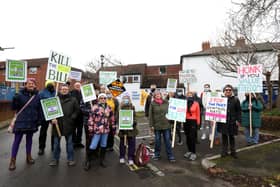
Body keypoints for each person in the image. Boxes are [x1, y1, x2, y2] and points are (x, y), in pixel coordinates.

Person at [9, 78, 42, 171]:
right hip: (21, 122)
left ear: (35, 85)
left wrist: (39, 119)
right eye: (29, 83)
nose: (31, 85)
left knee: (29, 141)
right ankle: (12, 161)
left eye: (33, 84)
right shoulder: (19, 95)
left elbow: (39, 109)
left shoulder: (37, 96)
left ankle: (28, 157)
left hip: (32, 122)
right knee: (17, 141)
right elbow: (13, 108)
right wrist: (14, 99)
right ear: (26, 85)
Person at [49, 84, 80, 167]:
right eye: (63, 89)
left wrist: (72, 118)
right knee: (56, 144)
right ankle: (55, 159)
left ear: (68, 90)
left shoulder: (73, 100)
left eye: (66, 89)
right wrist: (51, 120)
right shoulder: (55, 100)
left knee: (69, 144)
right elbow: (49, 112)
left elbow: (77, 111)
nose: (64, 90)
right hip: (57, 125)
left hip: (69, 125)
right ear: (60, 90)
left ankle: (70, 159)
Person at [88, 93, 116, 168]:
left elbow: (112, 119)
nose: (103, 99)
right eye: (101, 98)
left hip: (106, 130)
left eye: (104, 98)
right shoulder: (95, 107)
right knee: (93, 146)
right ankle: (88, 161)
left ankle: (102, 160)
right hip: (97, 130)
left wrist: (113, 128)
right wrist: (90, 128)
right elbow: (91, 119)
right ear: (98, 99)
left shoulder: (109, 108)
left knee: (103, 145)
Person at [149, 90, 176, 162]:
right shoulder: (152, 103)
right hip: (157, 125)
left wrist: (173, 120)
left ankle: (170, 155)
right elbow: (150, 115)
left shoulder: (166, 102)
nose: (158, 96)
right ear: (154, 96)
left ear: (161, 95)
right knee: (157, 141)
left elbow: (172, 110)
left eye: (159, 95)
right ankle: (157, 154)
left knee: (167, 140)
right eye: (156, 95)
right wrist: (151, 125)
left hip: (166, 124)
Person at [217, 84, 241, 159]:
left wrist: (238, 120)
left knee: (231, 137)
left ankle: (233, 152)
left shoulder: (236, 99)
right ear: (224, 91)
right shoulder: (220, 99)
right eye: (226, 90)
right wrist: (214, 119)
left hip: (232, 121)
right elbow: (216, 110)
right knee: (224, 137)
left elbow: (239, 111)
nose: (228, 91)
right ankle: (224, 152)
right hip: (223, 122)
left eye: (229, 90)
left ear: (232, 91)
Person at [118, 94, 138, 165]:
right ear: (122, 100)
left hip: (131, 129)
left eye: (127, 98)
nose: (126, 100)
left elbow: (135, 116)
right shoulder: (120, 107)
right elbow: (118, 117)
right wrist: (121, 125)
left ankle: (130, 158)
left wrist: (133, 122)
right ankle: (122, 157)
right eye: (124, 98)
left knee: (132, 144)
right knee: (122, 144)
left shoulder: (132, 107)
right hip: (123, 129)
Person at [38, 80, 56, 155]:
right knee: (43, 132)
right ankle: (41, 148)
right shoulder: (42, 93)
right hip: (44, 115)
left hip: (54, 114)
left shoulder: (56, 92)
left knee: (54, 132)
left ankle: (53, 147)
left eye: (51, 84)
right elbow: (38, 104)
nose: (50, 85)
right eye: (49, 84)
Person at [183, 91, 201, 161]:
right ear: (186, 96)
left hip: (193, 121)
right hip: (186, 121)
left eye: (191, 94)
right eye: (188, 95)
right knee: (187, 136)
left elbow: (198, 113)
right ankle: (189, 151)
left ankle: (193, 153)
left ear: (193, 96)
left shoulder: (196, 103)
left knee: (192, 137)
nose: (189, 96)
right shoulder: (184, 103)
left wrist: (198, 122)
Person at [70, 82, 84, 148]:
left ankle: (78, 142)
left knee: (80, 129)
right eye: (76, 85)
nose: (78, 86)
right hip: (73, 114)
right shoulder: (71, 93)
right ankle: (74, 142)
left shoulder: (83, 93)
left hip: (81, 114)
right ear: (74, 86)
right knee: (73, 129)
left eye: (79, 85)